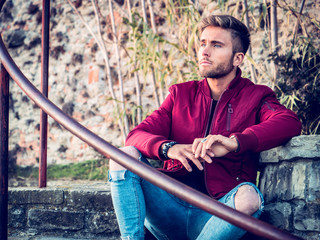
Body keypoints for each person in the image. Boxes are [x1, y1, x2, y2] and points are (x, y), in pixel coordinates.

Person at [108, 15, 301, 240]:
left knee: (249, 197)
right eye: (202, 43)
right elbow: (135, 136)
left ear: (237, 58)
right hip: (169, 205)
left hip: (219, 213)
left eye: (216, 45)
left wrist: (234, 142)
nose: (205, 51)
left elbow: (289, 122)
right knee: (123, 156)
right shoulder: (180, 94)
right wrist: (168, 148)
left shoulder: (257, 96)